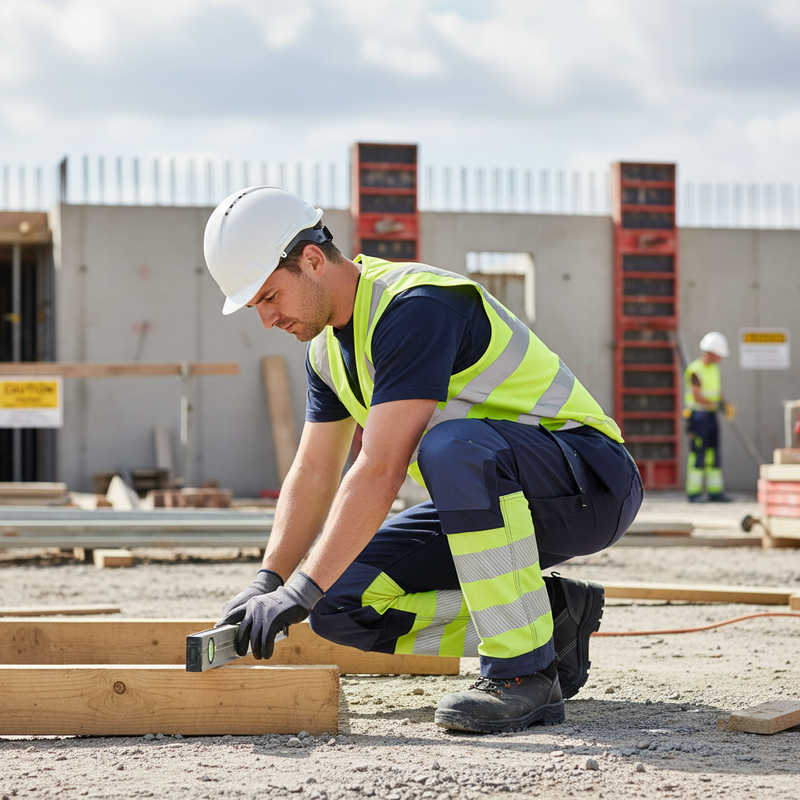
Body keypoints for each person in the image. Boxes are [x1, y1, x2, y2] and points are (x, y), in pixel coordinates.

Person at [204, 186, 644, 734]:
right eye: (255, 307)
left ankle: (520, 674)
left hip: (588, 482)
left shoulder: (416, 307)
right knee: (340, 600)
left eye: (269, 297)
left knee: (450, 446)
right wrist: (269, 581)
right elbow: (314, 473)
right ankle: (550, 623)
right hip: (493, 496)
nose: (266, 320)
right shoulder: (325, 351)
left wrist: (299, 587)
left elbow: (380, 468)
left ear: (312, 260)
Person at [684, 332, 733, 503]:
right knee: (698, 454)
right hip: (698, 417)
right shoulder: (694, 370)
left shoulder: (714, 368)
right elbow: (697, 397)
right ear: (711, 352)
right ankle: (694, 492)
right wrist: (716, 404)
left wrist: (724, 404)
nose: (720, 358)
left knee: (713, 454)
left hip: (711, 417)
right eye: (719, 354)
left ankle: (715, 491)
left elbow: (717, 391)